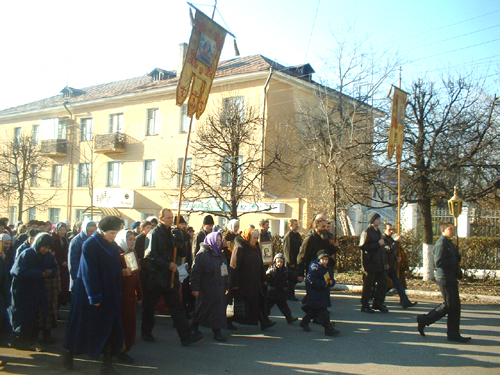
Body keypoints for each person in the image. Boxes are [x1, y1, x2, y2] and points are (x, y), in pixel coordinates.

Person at [62, 216, 125, 374]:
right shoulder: (90, 245)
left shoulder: (113, 246)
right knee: (81, 326)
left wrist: (117, 291)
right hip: (89, 295)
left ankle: (107, 364)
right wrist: (94, 296)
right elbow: (89, 272)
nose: (114, 236)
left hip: (109, 294)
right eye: (112, 233)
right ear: (102, 231)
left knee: (111, 328)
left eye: (116, 233)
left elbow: (116, 271)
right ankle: (68, 354)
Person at [141, 208, 203, 346]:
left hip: (170, 277)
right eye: (168, 217)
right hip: (156, 277)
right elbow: (150, 255)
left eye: (172, 217)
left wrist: (180, 239)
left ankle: (185, 335)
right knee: (150, 307)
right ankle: (146, 332)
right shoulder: (154, 233)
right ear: (161, 218)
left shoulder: (173, 233)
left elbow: (181, 253)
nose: (171, 220)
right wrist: (167, 264)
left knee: (176, 307)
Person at [417, 222, 471, 343]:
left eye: (453, 229)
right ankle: (425, 320)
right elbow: (439, 263)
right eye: (450, 229)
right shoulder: (441, 244)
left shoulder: (450, 243)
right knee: (449, 305)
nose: (453, 231)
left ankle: (453, 333)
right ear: (443, 229)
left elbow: (453, 260)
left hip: (451, 277)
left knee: (455, 306)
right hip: (445, 278)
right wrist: (454, 259)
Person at [10, 233, 57, 352]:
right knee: (24, 316)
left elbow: (54, 268)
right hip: (24, 290)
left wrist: (50, 272)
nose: (46, 250)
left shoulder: (48, 256)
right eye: (44, 247)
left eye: (48, 248)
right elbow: (17, 271)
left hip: (39, 290)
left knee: (38, 315)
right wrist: (39, 273)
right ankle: (22, 340)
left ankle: (33, 339)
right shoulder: (26, 254)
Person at [230, 228, 276, 330]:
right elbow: (234, 266)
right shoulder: (240, 248)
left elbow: (260, 265)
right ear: (248, 237)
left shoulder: (256, 248)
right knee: (245, 307)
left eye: (257, 238)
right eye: (254, 238)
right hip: (244, 283)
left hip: (255, 282)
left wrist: (263, 278)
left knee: (259, 302)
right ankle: (228, 321)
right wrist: (235, 283)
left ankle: (264, 322)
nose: (256, 240)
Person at [190, 231, 230, 342]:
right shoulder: (202, 255)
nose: (218, 242)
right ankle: (194, 325)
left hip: (219, 287)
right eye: (216, 240)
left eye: (220, 240)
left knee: (218, 311)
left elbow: (225, 270)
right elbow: (196, 272)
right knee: (203, 309)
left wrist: (227, 284)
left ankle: (217, 331)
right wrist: (195, 288)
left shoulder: (220, 254)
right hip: (206, 288)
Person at [115, 230, 143, 364]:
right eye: (129, 239)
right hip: (121, 297)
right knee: (122, 323)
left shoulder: (131, 254)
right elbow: (112, 276)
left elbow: (136, 276)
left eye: (133, 239)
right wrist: (121, 274)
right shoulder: (117, 256)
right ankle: (120, 350)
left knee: (130, 323)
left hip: (131, 296)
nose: (132, 242)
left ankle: (126, 347)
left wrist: (139, 293)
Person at [299, 250, 340, 336]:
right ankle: (328, 328)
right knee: (323, 311)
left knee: (314, 311)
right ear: (319, 259)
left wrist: (332, 282)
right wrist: (323, 283)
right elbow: (311, 280)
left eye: (326, 259)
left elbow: (330, 278)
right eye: (323, 259)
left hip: (323, 293)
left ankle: (304, 322)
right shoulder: (315, 268)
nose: (325, 261)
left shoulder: (327, 268)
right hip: (315, 293)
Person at [382, 223, 417, 309]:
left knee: (398, 284)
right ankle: (378, 302)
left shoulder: (390, 239)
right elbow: (389, 249)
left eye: (392, 229)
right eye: (389, 230)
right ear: (384, 230)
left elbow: (394, 251)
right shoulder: (383, 239)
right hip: (385, 265)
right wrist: (396, 242)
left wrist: (397, 257)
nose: (391, 231)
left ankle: (405, 301)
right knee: (383, 285)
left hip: (392, 265)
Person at [359, 213, 388, 313]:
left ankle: (378, 303)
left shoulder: (378, 231)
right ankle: (365, 304)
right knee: (368, 285)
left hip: (379, 263)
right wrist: (377, 244)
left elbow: (382, 249)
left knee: (383, 283)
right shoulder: (367, 232)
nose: (379, 221)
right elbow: (363, 246)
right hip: (370, 263)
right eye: (377, 219)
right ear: (372, 220)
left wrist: (385, 262)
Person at [265, 253, 301, 323]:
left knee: (284, 307)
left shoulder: (285, 271)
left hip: (281, 292)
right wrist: (265, 281)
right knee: (267, 307)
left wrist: (297, 278)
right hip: (272, 293)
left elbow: (291, 277)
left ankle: (289, 318)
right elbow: (266, 278)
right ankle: (264, 318)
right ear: (275, 262)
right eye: (278, 262)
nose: (279, 264)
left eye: (281, 262)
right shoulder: (271, 270)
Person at [68, 218, 96, 292]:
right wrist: (75, 277)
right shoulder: (76, 241)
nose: (92, 234)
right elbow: (73, 260)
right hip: (79, 275)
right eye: (90, 231)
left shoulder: (95, 240)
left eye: (94, 231)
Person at [52, 222, 71, 312]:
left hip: (64, 267)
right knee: (58, 289)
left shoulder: (65, 239)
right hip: (58, 266)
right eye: (60, 230)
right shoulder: (55, 239)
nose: (62, 232)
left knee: (64, 287)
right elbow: (55, 253)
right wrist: (61, 262)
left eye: (64, 230)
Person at [282, 219, 302, 301]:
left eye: (297, 224)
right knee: (291, 279)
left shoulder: (298, 235)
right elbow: (287, 250)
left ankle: (289, 293)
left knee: (294, 279)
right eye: (295, 224)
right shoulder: (288, 236)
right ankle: (289, 294)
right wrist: (290, 262)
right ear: (290, 226)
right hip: (291, 261)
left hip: (297, 260)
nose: (296, 226)